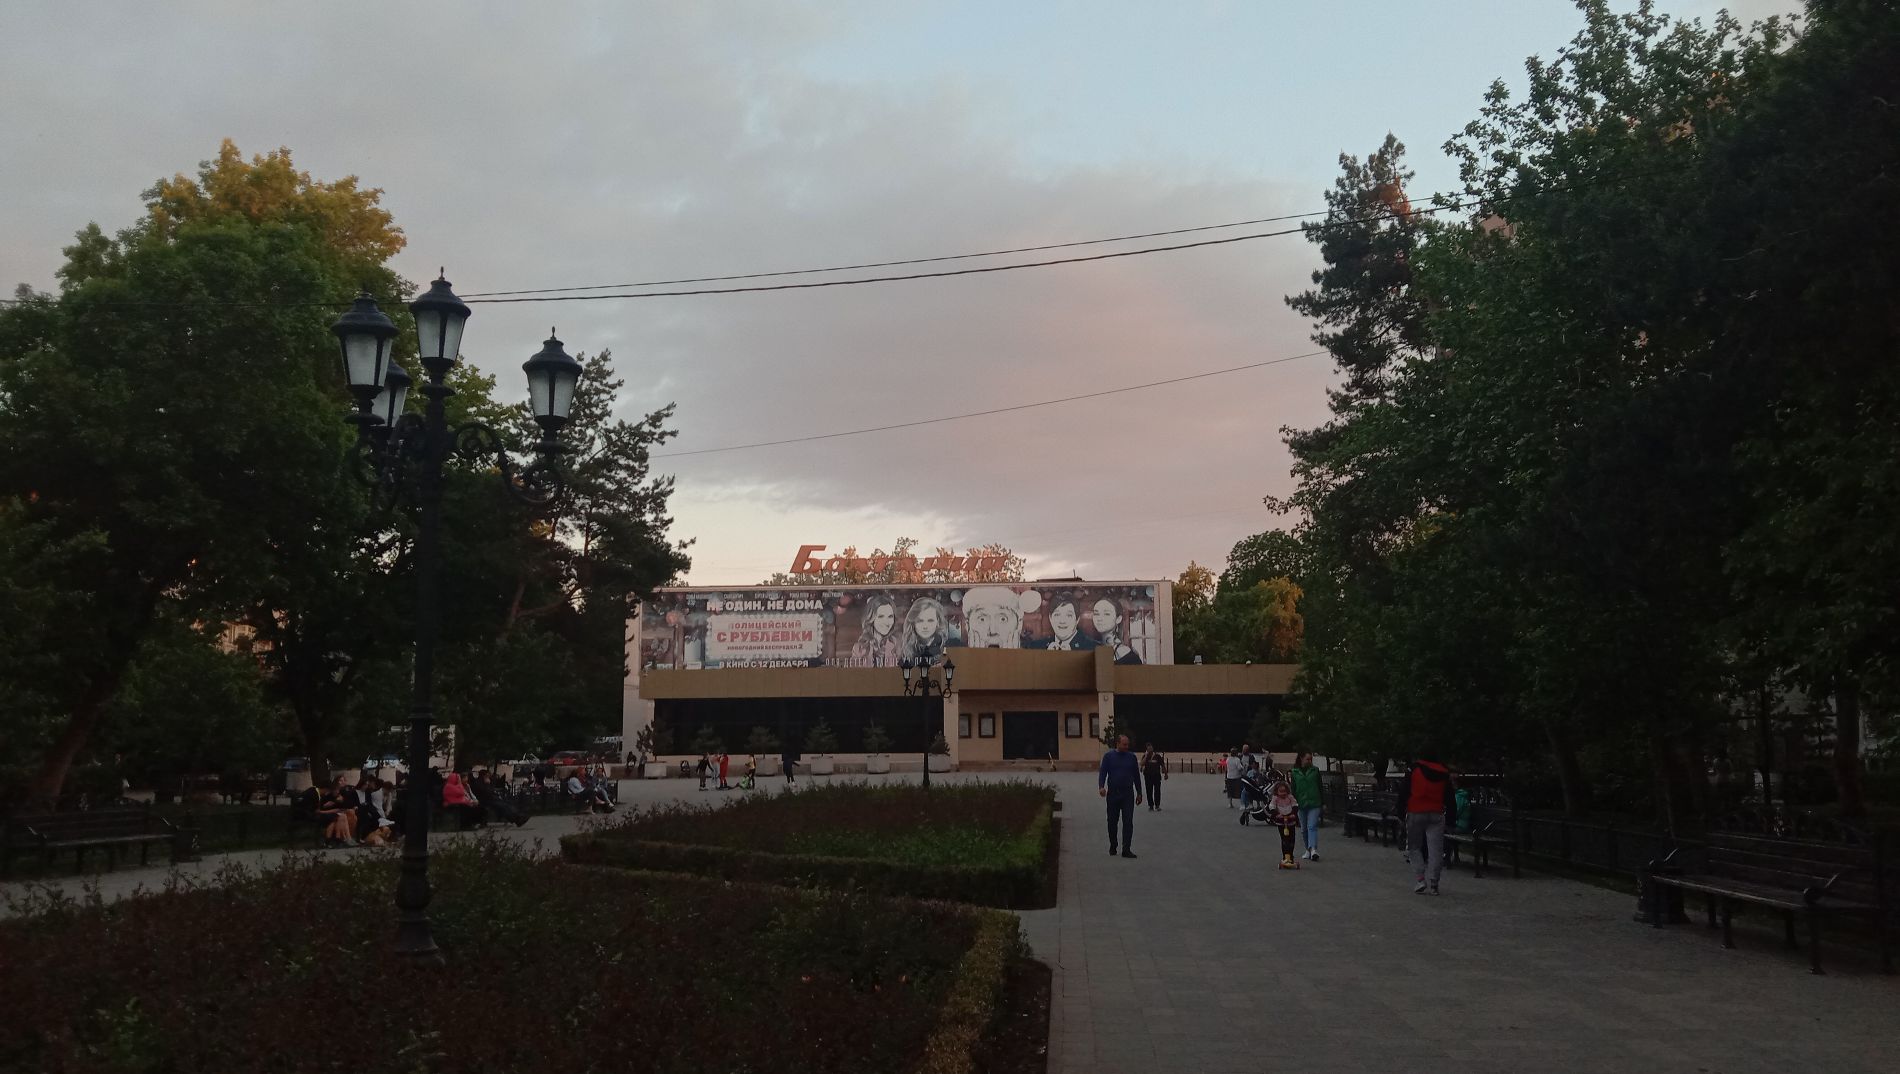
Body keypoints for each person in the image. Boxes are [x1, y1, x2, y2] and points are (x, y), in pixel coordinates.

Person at [1397, 750, 1458, 895]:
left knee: (1414, 847)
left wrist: (1400, 813)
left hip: (1415, 812)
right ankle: (1434, 883)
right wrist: (1451, 821)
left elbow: (1404, 791)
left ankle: (1420, 879)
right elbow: (1450, 798)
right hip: (1436, 814)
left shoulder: (1414, 769)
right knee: (1436, 850)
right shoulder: (1444, 772)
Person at [1097, 734, 1143, 858]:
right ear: (1117, 744)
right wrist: (1101, 786)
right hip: (1113, 794)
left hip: (1127, 794)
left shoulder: (1131, 757)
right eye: (1124, 744)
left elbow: (1136, 776)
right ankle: (1113, 845)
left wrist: (1139, 792)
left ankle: (1126, 849)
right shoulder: (1109, 757)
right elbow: (1103, 772)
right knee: (1112, 821)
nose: (1127, 747)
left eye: (1128, 744)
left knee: (1128, 821)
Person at [1288, 751, 1324, 861]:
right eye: (1307, 759)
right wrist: (1292, 803)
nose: (1309, 761)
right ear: (1301, 759)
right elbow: (1293, 788)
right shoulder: (1294, 772)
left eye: (1311, 759)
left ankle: (1313, 849)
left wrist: (1323, 802)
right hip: (1301, 802)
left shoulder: (1315, 770)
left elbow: (1320, 786)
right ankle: (1307, 849)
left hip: (1314, 802)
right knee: (1304, 828)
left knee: (1312, 826)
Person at [1027, 594, 1096, 651]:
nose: (1062, 621)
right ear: (1050, 618)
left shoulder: (1093, 647)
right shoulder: (1035, 647)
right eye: (1057, 615)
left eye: (1069, 615)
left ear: (1077, 619)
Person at [849, 595, 903, 667]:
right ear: (871, 619)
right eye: (881, 616)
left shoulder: (897, 644)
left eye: (890, 616)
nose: (886, 622)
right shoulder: (859, 648)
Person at [1088, 597, 1143, 664]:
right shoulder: (1087, 647)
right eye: (1096, 614)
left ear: (1118, 619)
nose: (1099, 618)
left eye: (1106, 614)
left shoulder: (1129, 657)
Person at [903, 596, 952, 661]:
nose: (925, 626)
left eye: (930, 620)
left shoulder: (951, 647)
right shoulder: (905, 649)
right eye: (920, 621)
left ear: (938, 622)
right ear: (913, 622)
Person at [1266, 780, 1302, 869]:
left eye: (1284, 791)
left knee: (1291, 839)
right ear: (1277, 792)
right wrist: (1276, 814)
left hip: (1290, 821)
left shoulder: (1290, 797)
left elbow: (1295, 804)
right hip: (1281, 822)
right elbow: (1271, 806)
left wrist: (1293, 813)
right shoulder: (1275, 798)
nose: (1283, 793)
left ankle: (1291, 856)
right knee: (1284, 839)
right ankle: (1285, 857)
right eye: (1281, 791)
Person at [1140, 742, 1167, 811]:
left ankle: (1157, 805)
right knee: (1149, 791)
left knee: (1157, 790)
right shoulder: (1145, 756)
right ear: (1146, 749)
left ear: (1152, 748)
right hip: (1148, 776)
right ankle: (1151, 805)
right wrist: (1146, 756)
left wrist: (1165, 774)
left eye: (1150, 747)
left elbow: (1162, 765)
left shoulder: (1157, 756)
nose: (1150, 749)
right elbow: (1141, 764)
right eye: (1148, 748)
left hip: (1156, 776)